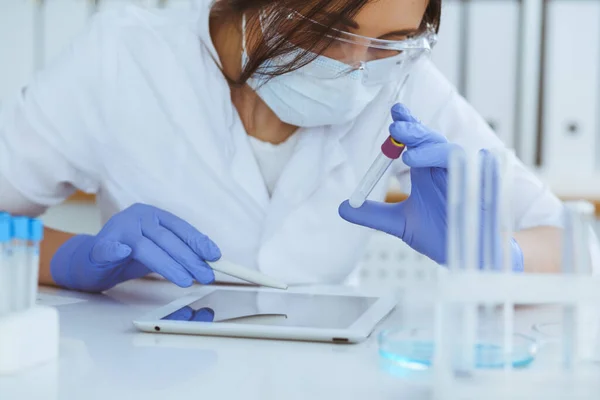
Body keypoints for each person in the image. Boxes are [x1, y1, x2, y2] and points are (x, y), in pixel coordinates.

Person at [0, 0, 588, 293]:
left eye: (392, 42)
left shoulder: (404, 84)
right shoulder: (122, 58)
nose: (357, 70)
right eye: (328, 33)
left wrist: (493, 255)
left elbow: (573, 247)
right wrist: (72, 262)